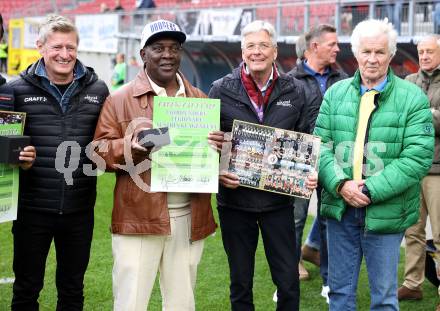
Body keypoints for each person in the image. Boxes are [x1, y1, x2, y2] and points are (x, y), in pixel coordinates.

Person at [92, 19, 216, 311]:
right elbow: (97, 151)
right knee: (131, 303)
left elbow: (211, 156)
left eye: (174, 48)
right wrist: (128, 149)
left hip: (188, 215)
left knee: (182, 304)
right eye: (158, 48)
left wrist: (216, 148)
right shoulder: (120, 99)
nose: (167, 55)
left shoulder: (199, 99)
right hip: (139, 217)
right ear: (143, 54)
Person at [314, 18, 434, 310]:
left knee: (384, 299)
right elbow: (319, 147)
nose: (372, 59)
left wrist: (368, 188)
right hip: (340, 209)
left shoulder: (413, 98)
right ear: (355, 53)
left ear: (391, 55)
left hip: (386, 211)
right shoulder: (335, 94)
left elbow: (417, 157)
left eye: (380, 52)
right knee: (340, 293)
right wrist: (341, 185)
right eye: (366, 51)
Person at [208, 20, 317, 311]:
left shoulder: (295, 90)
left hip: (279, 203)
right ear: (242, 52)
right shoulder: (220, 89)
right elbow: (207, 148)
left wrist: (309, 171)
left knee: (288, 281)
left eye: (263, 45)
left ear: (275, 50)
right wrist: (218, 171)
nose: (257, 52)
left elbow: (308, 138)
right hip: (234, 203)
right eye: (251, 46)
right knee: (240, 282)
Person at [7, 14, 109, 310]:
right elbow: (4, 146)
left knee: (72, 291)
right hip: (31, 210)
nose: (64, 55)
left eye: (71, 48)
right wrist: (19, 159)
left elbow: (109, 138)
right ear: (40, 47)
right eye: (56, 47)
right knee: (26, 290)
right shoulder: (16, 90)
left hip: (79, 209)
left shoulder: (98, 90)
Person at [289, 24, 347, 298]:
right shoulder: (290, 80)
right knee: (296, 217)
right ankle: (289, 273)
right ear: (314, 46)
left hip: (333, 159)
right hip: (298, 157)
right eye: (332, 44)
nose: (338, 48)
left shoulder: (344, 79)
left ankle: (329, 281)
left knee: (329, 218)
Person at [398, 34, 440, 302]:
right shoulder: (409, 82)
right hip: (413, 169)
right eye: (421, 51)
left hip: (438, 171)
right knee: (412, 230)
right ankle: (412, 284)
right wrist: (431, 113)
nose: (424, 56)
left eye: (430, 51)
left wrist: (419, 116)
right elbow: (400, 119)